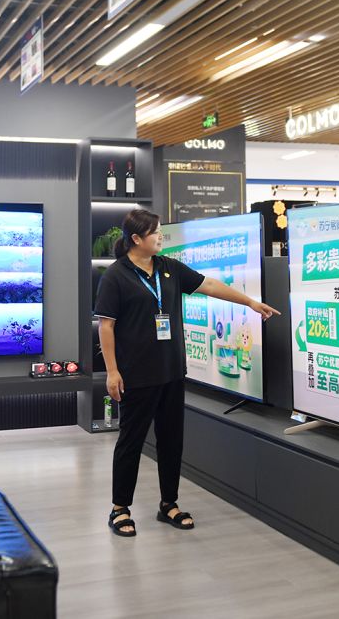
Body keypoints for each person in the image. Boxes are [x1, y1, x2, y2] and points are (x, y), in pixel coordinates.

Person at [95, 209, 279, 536]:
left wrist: (249, 302)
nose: (160, 237)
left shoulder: (168, 268)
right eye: (155, 233)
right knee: (131, 442)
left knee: (172, 442)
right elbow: (106, 327)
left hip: (171, 373)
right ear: (136, 239)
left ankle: (169, 504)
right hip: (136, 376)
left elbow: (208, 285)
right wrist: (112, 372)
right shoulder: (116, 276)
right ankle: (119, 508)